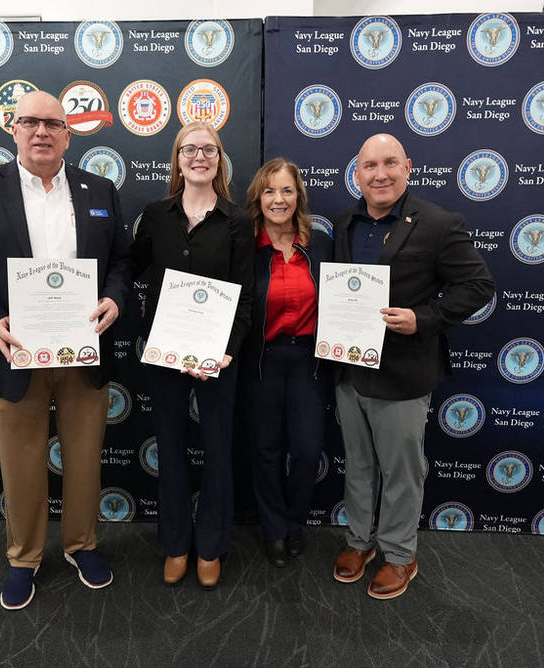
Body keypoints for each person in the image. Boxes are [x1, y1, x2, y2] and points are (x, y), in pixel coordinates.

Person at [0, 91, 131, 610]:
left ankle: (82, 544)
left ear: (69, 134)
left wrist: (114, 297)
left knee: (84, 457)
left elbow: (122, 262)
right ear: (13, 129)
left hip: (84, 353)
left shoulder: (100, 189)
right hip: (13, 353)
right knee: (20, 462)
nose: (42, 132)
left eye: (53, 124)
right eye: (30, 122)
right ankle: (24, 557)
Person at [331, 134, 493, 599]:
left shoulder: (438, 223)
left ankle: (400, 554)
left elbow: (478, 286)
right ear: (357, 173)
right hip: (350, 367)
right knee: (358, 464)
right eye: (369, 165)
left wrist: (423, 319)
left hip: (402, 373)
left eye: (390, 163)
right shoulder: (345, 222)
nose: (380, 174)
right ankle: (359, 542)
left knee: (401, 471)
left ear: (408, 167)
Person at [132, 121, 253, 589]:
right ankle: (176, 543)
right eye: (190, 149)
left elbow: (245, 295)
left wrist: (227, 351)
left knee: (218, 449)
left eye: (209, 150)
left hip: (217, 358)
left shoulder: (237, 221)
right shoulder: (155, 215)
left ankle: (211, 546)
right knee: (170, 447)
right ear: (178, 160)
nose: (200, 156)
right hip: (166, 353)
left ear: (219, 161)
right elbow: (129, 267)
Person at [240, 158, 332, 567]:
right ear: (258, 198)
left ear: (299, 197)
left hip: (308, 361)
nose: (278, 199)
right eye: (269, 191)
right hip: (262, 361)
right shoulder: (246, 248)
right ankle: (274, 529)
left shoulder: (321, 245)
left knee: (308, 451)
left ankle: (296, 524)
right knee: (266, 450)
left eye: (287, 190)